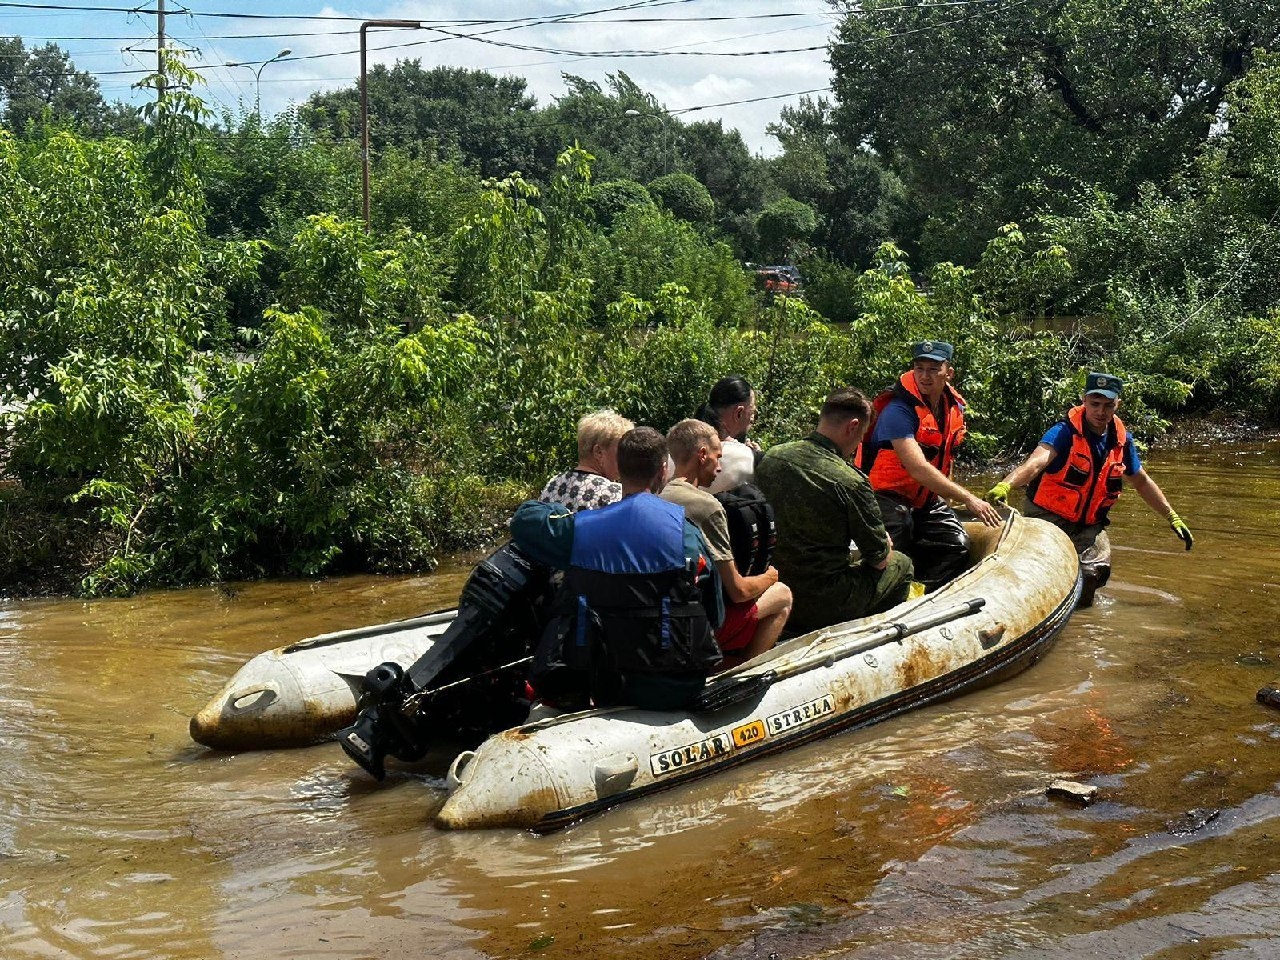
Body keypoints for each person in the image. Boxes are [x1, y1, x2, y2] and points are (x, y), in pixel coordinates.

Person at [510, 427, 724, 711]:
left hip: (602, 686)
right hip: (673, 688)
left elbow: (523, 521)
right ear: (662, 471)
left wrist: (569, 516)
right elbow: (715, 615)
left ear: (618, 470)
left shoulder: (582, 532)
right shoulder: (687, 535)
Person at [986, 372, 1194, 607]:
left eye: (1108, 405)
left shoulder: (1122, 441)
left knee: (1093, 574)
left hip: (1089, 525)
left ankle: (1080, 622)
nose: (1101, 412)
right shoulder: (1063, 433)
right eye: (1095, 404)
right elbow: (1036, 462)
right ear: (1083, 400)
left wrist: (1171, 516)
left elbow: (1141, 481)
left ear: (1118, 404)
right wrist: (1007, 484)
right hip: (1047, 518)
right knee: (1044, 573)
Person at [755, 387, 915, 633]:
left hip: (773, 589)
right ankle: (875, 635)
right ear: (852, 426)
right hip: (824, 602)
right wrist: (883, 542)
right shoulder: (851, 481)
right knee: (902, 565)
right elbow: (880, 559)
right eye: (861, 436)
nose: (857, 444)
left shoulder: (773, 457)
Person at [863, 340, 1002, 590]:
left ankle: (926, 592)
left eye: (933, 369)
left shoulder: (953, 407)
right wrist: (969, 498)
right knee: (900, 533)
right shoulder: (899, 410)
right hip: (884, 497)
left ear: (948, 372)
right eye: (919, 368)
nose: (925, 376)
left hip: (924, 500)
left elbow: (947, 458)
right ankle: (887, 597)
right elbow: (917, 467)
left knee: (956, 545)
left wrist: (945, 500)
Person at [662, 419, 793, 665]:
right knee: (782, 594)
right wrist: (770, 577)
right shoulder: (707, 507)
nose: (720, 467)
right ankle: (740, 675)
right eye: (717, 457)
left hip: (666, 622)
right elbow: (739, 590)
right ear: (702, 455)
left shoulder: (660, 497)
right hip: (702, 627)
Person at [539, 409, 635, 512]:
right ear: (598, 452)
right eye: (622, 450)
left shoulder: (553, 484)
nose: (627, 457)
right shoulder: (612, 493)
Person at [696, 375, 759, 494]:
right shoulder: (747, 458)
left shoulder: (674, 454)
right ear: (739, 413)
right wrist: (759, 460)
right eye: (752, 413)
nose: (753, 420)